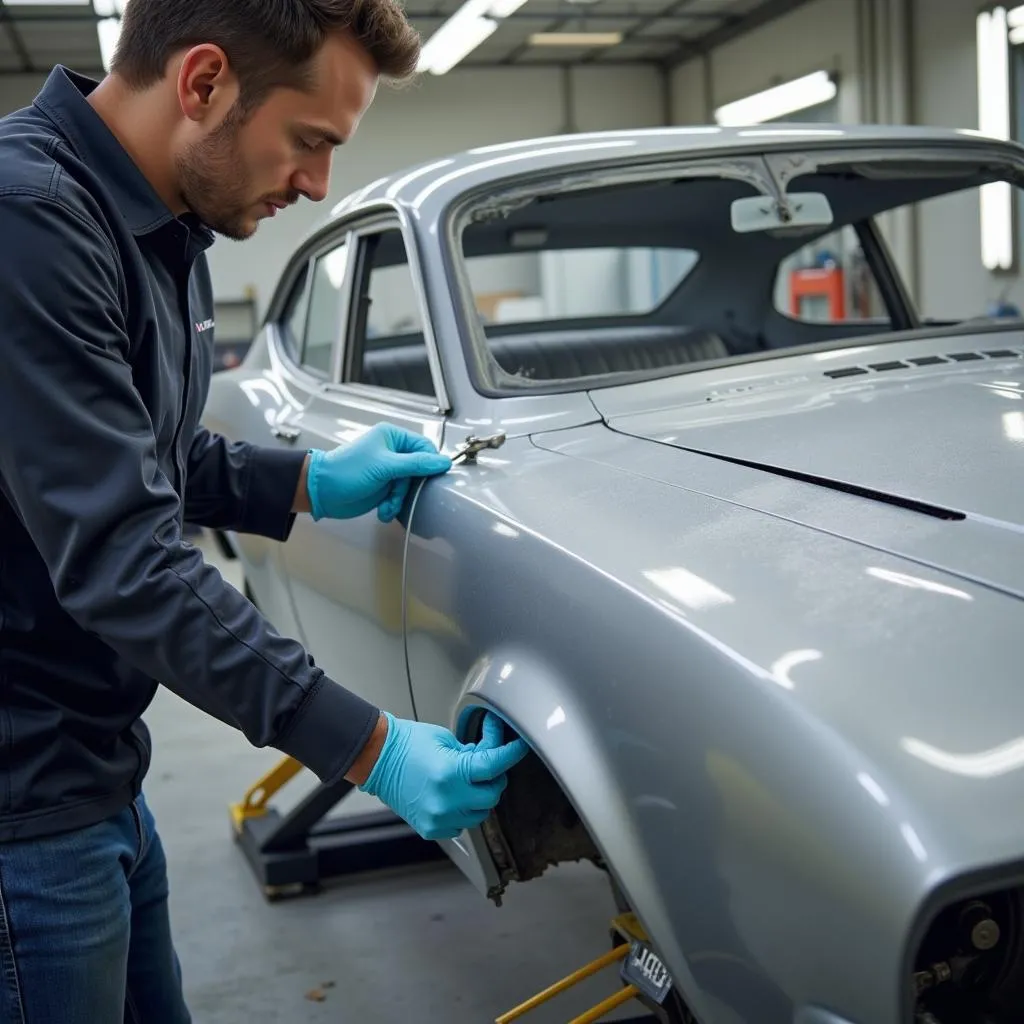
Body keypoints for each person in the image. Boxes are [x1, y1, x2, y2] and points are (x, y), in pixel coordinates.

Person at [0, 1, 529, 1020]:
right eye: (310, 141)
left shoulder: (162, 222)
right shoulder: (27, 222)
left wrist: (303, 481)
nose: (318, 183)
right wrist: (369, 746)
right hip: (24, 810)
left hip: (95, 765)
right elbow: (126, 560)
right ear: (202, 83)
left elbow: (148, 450)